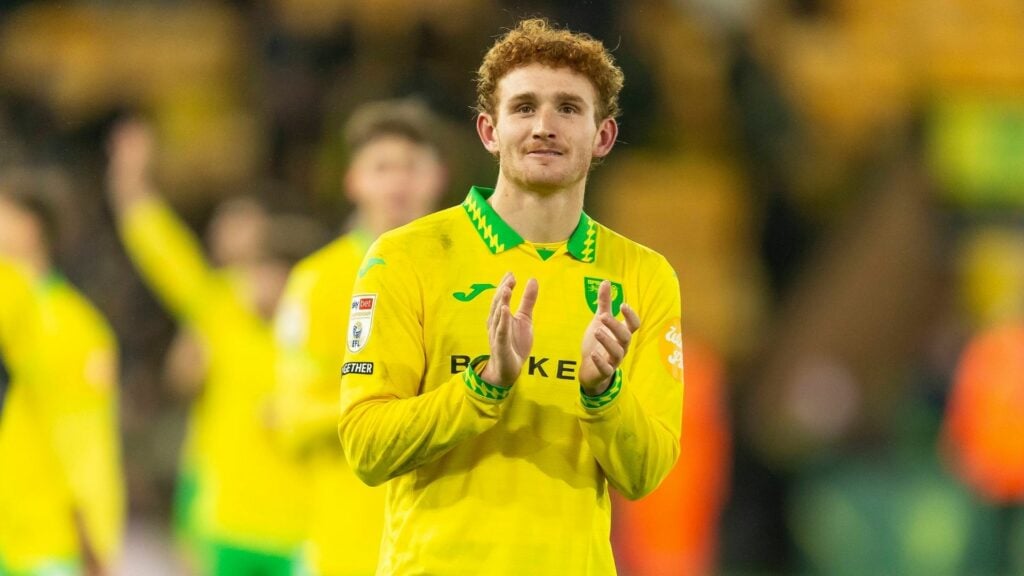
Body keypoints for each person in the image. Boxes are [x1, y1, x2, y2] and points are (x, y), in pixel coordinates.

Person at [338, 18, 684, 575]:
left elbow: (644, 475)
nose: (544, 126)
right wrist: (485, 385)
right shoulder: (405, 257)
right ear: (489, 131)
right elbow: (366, 448)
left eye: (568, 108)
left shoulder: (644, 276)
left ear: (603, 137)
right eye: (524, 107)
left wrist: (603, 393)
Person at [106, 121, 309, 576]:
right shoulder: (218, 304)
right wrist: (130, 178)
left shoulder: (320, 314)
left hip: (300, 522)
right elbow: (157, 244)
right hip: (223, 517)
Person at [273, 98, 447, 575]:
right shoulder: (316, 282)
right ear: (354, 180)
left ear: (437, 177)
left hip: (448, 541)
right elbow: (291, 417)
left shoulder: (471, 279)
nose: (397, 182)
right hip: (347, 545)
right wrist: (394, 409)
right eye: (381, 167)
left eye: (411, 167)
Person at [0, 172, 124, 576]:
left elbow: (85, 444)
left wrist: (96, 544)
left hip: (43, 544)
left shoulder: (73, 326)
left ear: (30, 227)